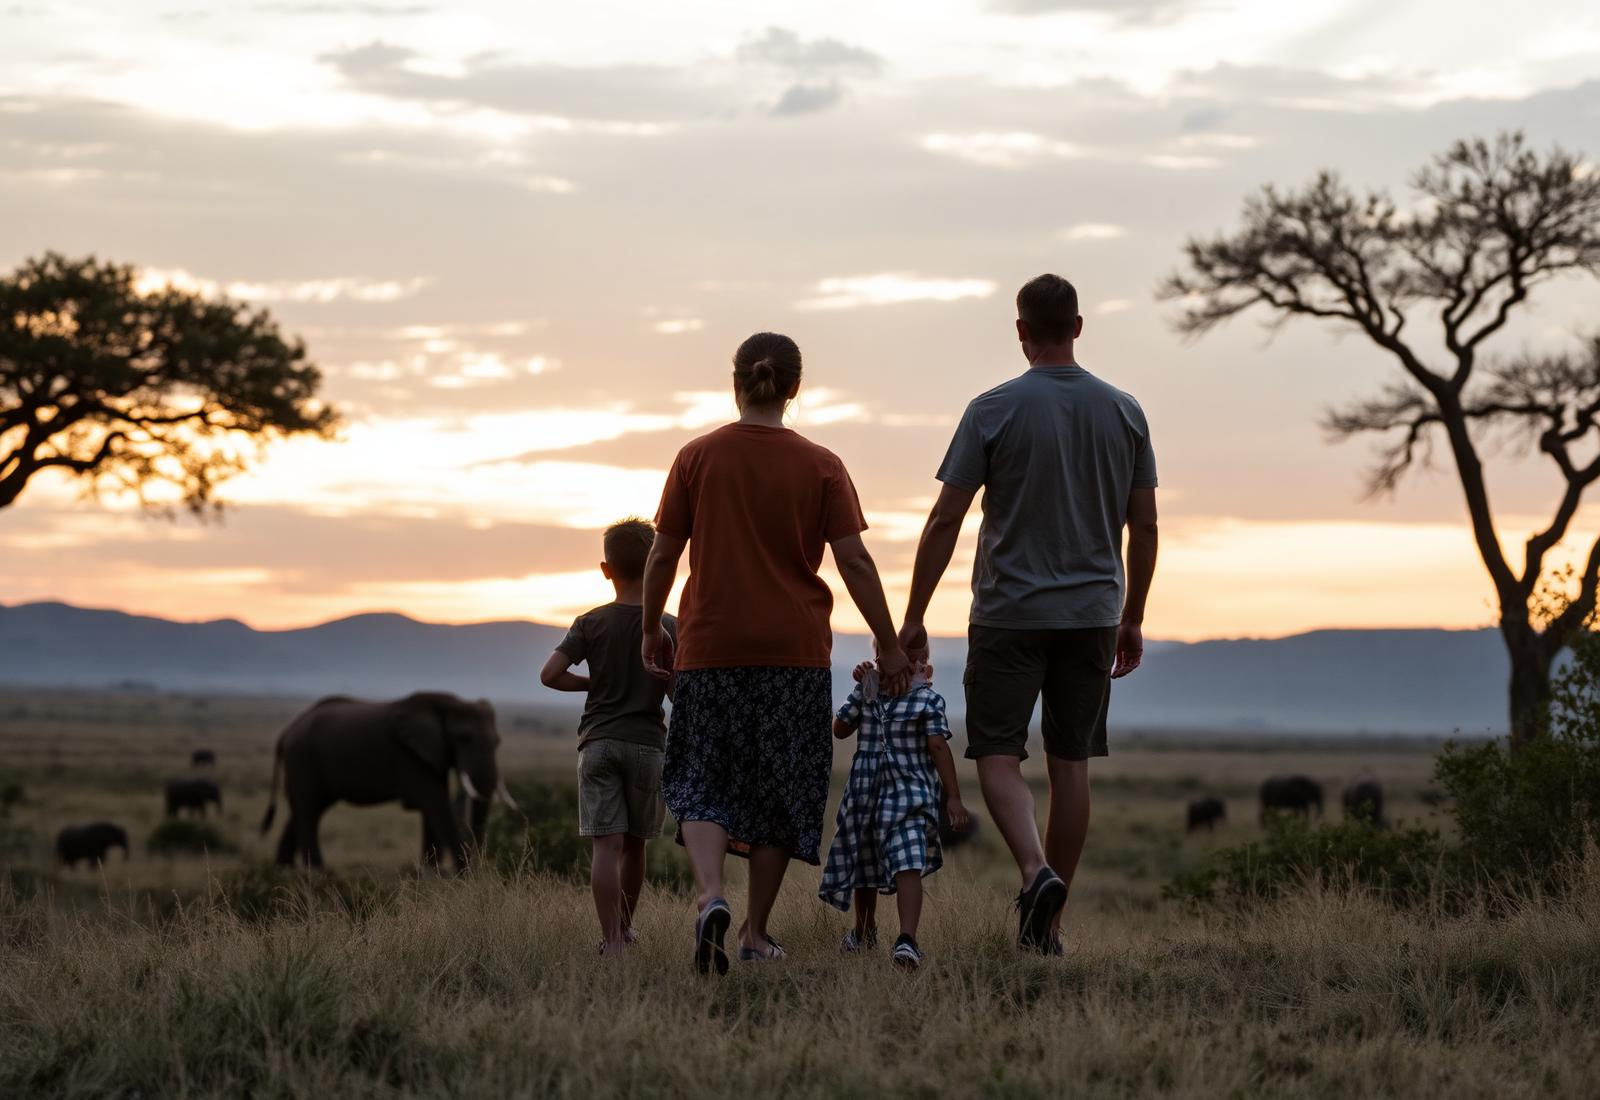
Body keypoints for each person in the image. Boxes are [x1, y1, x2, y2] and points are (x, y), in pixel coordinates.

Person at [898, 274, 1159, 954]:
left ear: (1020, 331)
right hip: (1094, 613)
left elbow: (945, 519)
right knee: (1071, 764)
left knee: (996, 752)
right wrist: (1133, 616)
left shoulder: (992, 409)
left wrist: (916, 613)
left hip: (1008, 611)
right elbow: (1147, 527)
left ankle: (1034, 870)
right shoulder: (1125, 411)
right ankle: (1053, 921)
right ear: (1077, 326)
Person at [640, 331, 911, 975]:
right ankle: (756, 935)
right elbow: (855, 561)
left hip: (709, 647)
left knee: (703, 777)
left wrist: (652, 626)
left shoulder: (696, 457)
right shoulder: (822, 464)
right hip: (794, 653)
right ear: (794, 388)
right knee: (779, 791)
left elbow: (661, 554)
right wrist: (890, 642)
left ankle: (710, 896)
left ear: (734, 382)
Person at [540, 517, 678, 958]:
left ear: (606, 569)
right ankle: (627, 927)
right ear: (657, 564)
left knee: (606, 844)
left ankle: (612, 941)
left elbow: (550, 675)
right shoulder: (671, 625)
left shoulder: (590, 622)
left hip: (598, 743)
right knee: (634, 845)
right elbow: (679, 692)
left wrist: (593, 684)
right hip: (648, 745)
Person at [820, 655, 970, 970]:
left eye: (912, 661)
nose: (900, 669)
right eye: (887, 660)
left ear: (924, 668)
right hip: (866, 796)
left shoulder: (927, 699)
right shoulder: (869, 691)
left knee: (909, 860)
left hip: (909, 798)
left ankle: (907, 939)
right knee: (865, 862)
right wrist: (860, 688)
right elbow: (840, 729)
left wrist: (953, 797)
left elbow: (938, 746)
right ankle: (864, 930)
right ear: (877, 662)